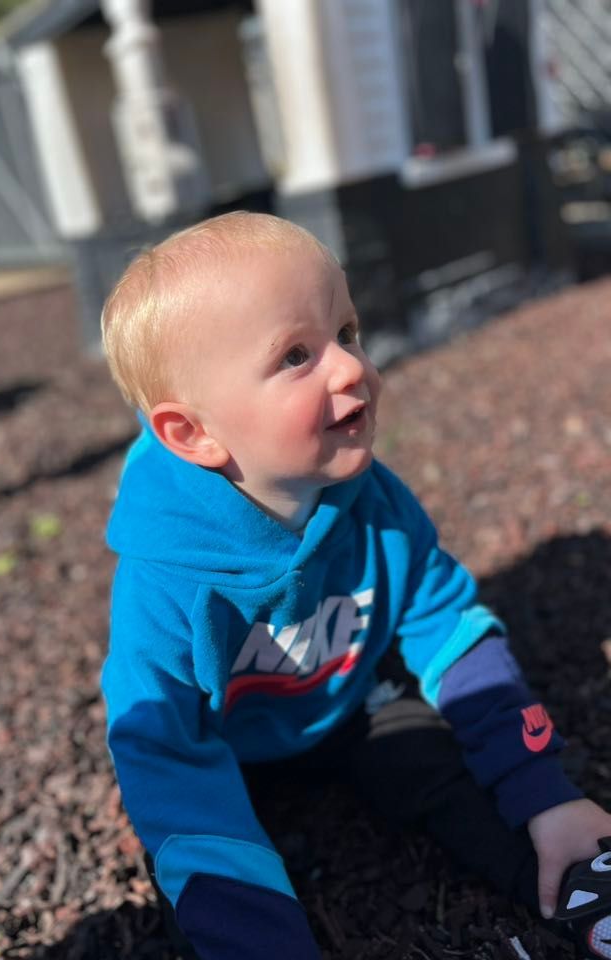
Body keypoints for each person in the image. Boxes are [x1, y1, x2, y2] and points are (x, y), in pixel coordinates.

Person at [100, 211, 611, 959]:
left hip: (347, 705)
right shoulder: (165, 579)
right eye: (296, 355)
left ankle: (577, 882)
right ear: (192, 435)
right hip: (225, 749)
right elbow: (163, 745)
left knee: (438, 763)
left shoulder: (373, 498)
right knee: (201, 854)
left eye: (347, 333)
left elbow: (447, 624)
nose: (351, 368)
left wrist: (545, 790)